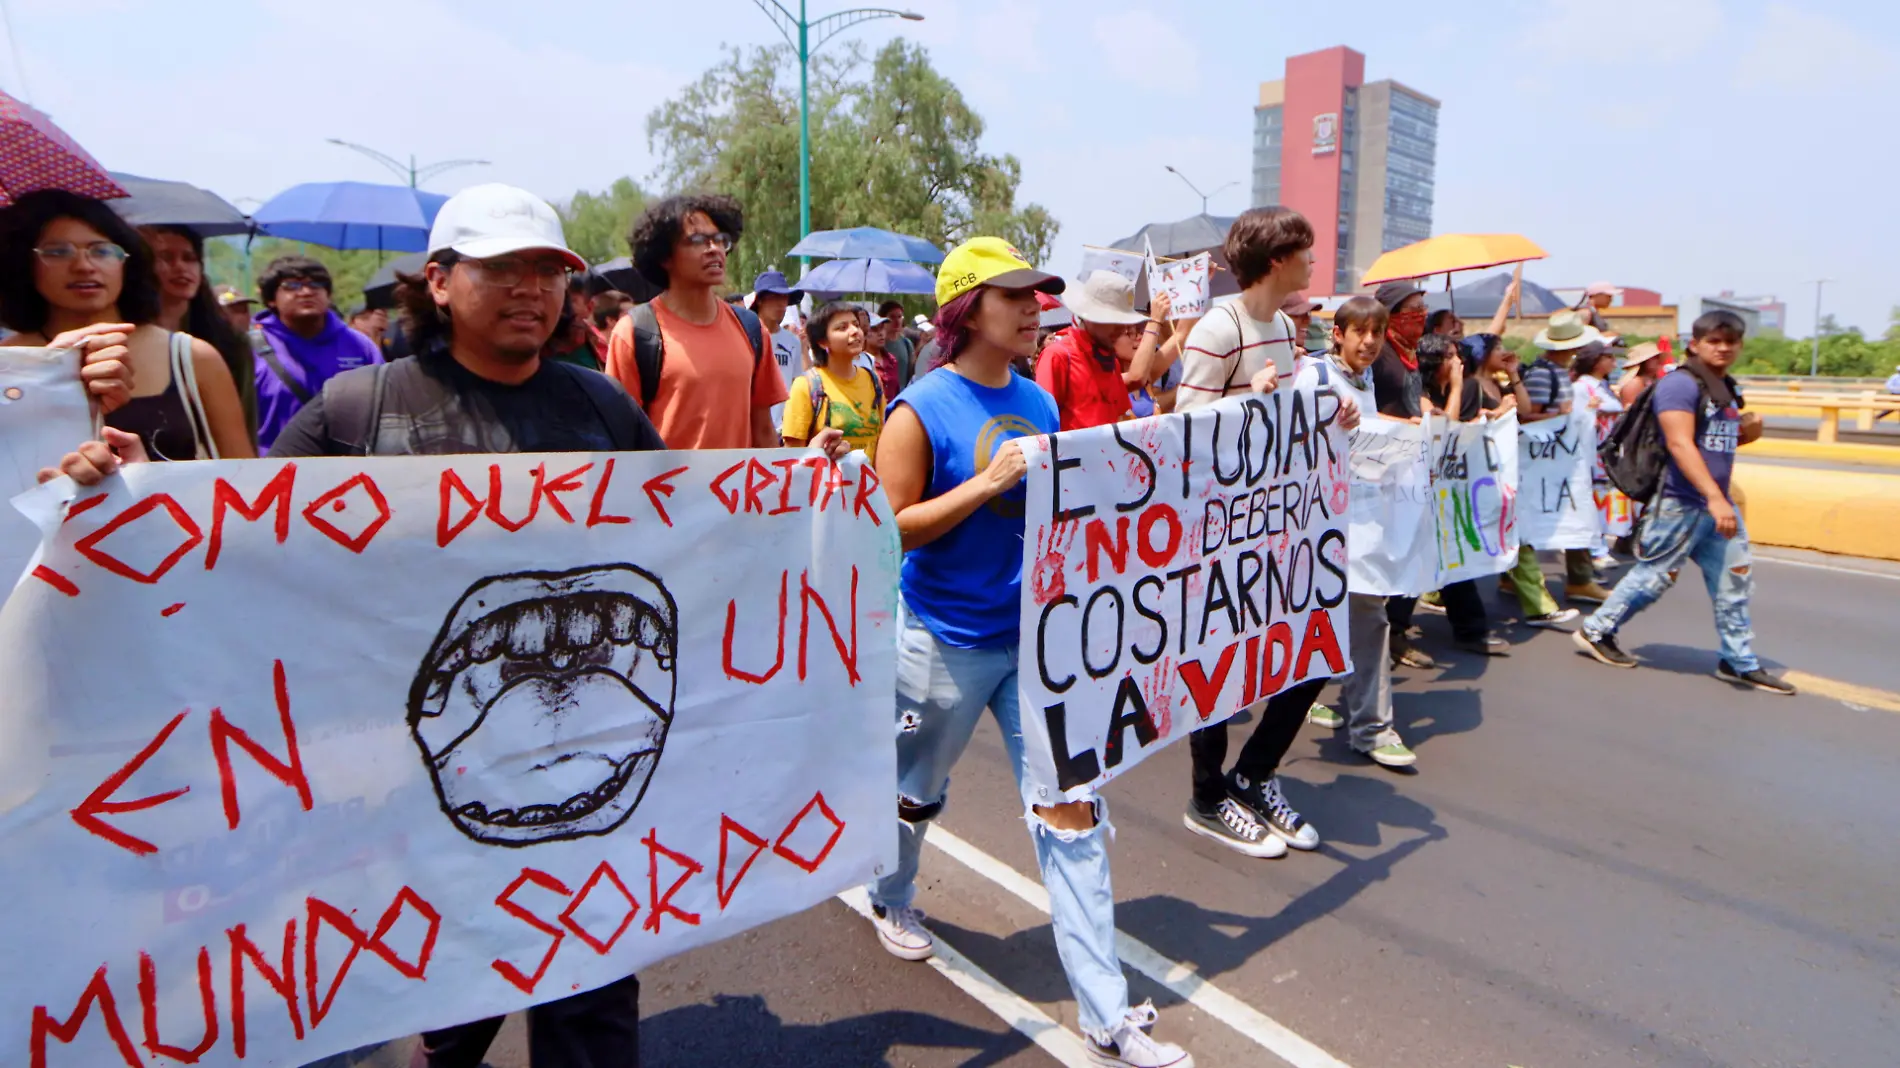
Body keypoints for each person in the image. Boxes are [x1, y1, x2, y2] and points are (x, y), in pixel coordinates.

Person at [867, 237, 1194, 1068]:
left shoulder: (1036, 401)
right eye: (1017, 296)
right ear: (968, 307)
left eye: (1038, 295)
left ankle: (1107, 1014)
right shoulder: (919, 409)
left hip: (1040, 650)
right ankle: (891, 895)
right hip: (944, 639)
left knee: (1073, 814)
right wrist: (983, 485)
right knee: (914, 789)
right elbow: (882, 526)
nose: (1035, 308)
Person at [1175, 205, 1359, 856]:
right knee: (1221, 665)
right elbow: (1184, 433)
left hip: (1276, 526)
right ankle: (1207, 795)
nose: (1314, 262)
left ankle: (1253, 773)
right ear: (1278, 260)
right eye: (1305, 252)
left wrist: (1330, 412)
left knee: (1307, 652)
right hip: (1220, 532)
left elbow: (1282, 414)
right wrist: (1247, 399)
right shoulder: (1215, 329)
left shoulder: (1284, 326)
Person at [1573, 311, 1794, 695]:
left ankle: (1738, 659)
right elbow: (1679, 443)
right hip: (1682, 502)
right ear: (1694, 344)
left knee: (1735, 581)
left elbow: (1714, 442)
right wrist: (1713, 498)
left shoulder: (1724, 386)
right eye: (1714, 341)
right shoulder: (1680, 385)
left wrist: (1742, 436)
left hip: (1715, 503)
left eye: (1731, 342)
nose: (1723, 348)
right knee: (1653, 577)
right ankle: (1596, 630)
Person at [0, 190, 253, 462]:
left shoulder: (191, 357)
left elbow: (244, 474)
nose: (84, 265)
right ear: (24, 264)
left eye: (102, 251)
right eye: (58, 252)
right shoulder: (9, 363)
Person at [1305, 296, 1420, 767]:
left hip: (1360, 522)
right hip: (1318, 524)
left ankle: (1369, 725)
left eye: (1377, 333)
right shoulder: (1313, 378)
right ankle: (1362, 722)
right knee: (1325, 620)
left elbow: (1364, 432)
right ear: (1339, 333)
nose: (1370, 342)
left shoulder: (1366, 379)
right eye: (1360, 332)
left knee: (1368, 617)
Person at [604, 194, 785, 448]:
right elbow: (620, 437)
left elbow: (764, 430)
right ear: (665, 257)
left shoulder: (751, 328)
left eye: (720, 240)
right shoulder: (636, 332)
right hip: (664, 487)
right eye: (698, 240)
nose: (714, 249)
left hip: (737, 487)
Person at [1417, 332, 1511, 658]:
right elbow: (1445, 431)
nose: (1458, 361)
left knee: (1451, 558)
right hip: (1420, 488)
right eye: (1451, 356)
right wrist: (1456, 389)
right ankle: (1397, 630)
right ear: (1435, 362)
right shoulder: (1421, 390)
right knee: (1418, 558)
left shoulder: (1472, 388)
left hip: (1452, 491)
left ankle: (1470, 631)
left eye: (1458, 355)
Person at [1516, 310, 1614, 606]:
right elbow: (1527, 414)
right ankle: (1580, 579)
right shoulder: (1544, 374)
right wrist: (1560, 415)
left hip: (1553, 460)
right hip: (1548, 461)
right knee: (1572, 511)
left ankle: (1517, 577)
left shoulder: (1554, 372)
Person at [1368, 281, 1438, 669]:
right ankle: (1372, 635)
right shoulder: (1376, 354)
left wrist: (1428, 411)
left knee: (1412, 546)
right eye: (1413, 307)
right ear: (1391, 314)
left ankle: (1397, 631)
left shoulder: (1408, 353)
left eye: (1423, 306)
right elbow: (1364, 408)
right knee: (1384, 552)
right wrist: (1401, 424)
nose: (1422, 314)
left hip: (1411, 465)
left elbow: (1414, 395)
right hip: (1381, 467)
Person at [251, 255, 384, 450]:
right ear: (271, 299)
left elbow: (382, 407)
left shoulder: (360, 346)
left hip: (346, 470)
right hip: (273, 472)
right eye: (292, 286)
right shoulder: (249, 349)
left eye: (316, 285)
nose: (306, 292)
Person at [144, 224, 259, 439]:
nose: (180, 267)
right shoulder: (131, 339)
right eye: (166, 257)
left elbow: (245, 428)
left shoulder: (229, 343)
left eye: (189, 258)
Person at [1036, 271, 1168, 430]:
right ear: (1090, 316)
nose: (1122, 328)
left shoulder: (1109, 359)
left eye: (1124, 321)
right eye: (1113, 319)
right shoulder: (1058, 356)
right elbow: (1040, 425)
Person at [781, 299, 884, 460]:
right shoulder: (806, 386)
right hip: (824, 483)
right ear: (822, 342)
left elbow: (882, 441)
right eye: (842, 328)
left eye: (856, 325)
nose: (854, 331)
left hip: (867, 483)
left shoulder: (873, 380)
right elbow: (791, 458)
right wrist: (819, 453)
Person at [748, 269, 806, 430]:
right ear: (760, 300)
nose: (781, 305)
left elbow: (796, 382)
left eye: (784, 299)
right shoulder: (744, 335)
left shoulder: (792, 341)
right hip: (750, 425)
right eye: (775, 298)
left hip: (782, 427)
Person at [864, 312, 903, 401]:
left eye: (882, 328)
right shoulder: (860, 362)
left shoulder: (892, 360)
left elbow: (896, 391)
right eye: (874, 329)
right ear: (864, 333)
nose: (880, 333)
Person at [1616, 341, 1666, 408]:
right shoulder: (1635, 383)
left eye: (1658, 357)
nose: (1658, 360)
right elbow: (1632, 410)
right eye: (1654, 357)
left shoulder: (1655, 379)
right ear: (1644, 361)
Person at [878, 299, 914, 387]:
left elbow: (910, 373)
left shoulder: (906, 343)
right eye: (892, 317)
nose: (897, 321)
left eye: (899, 316)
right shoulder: (878, 344)